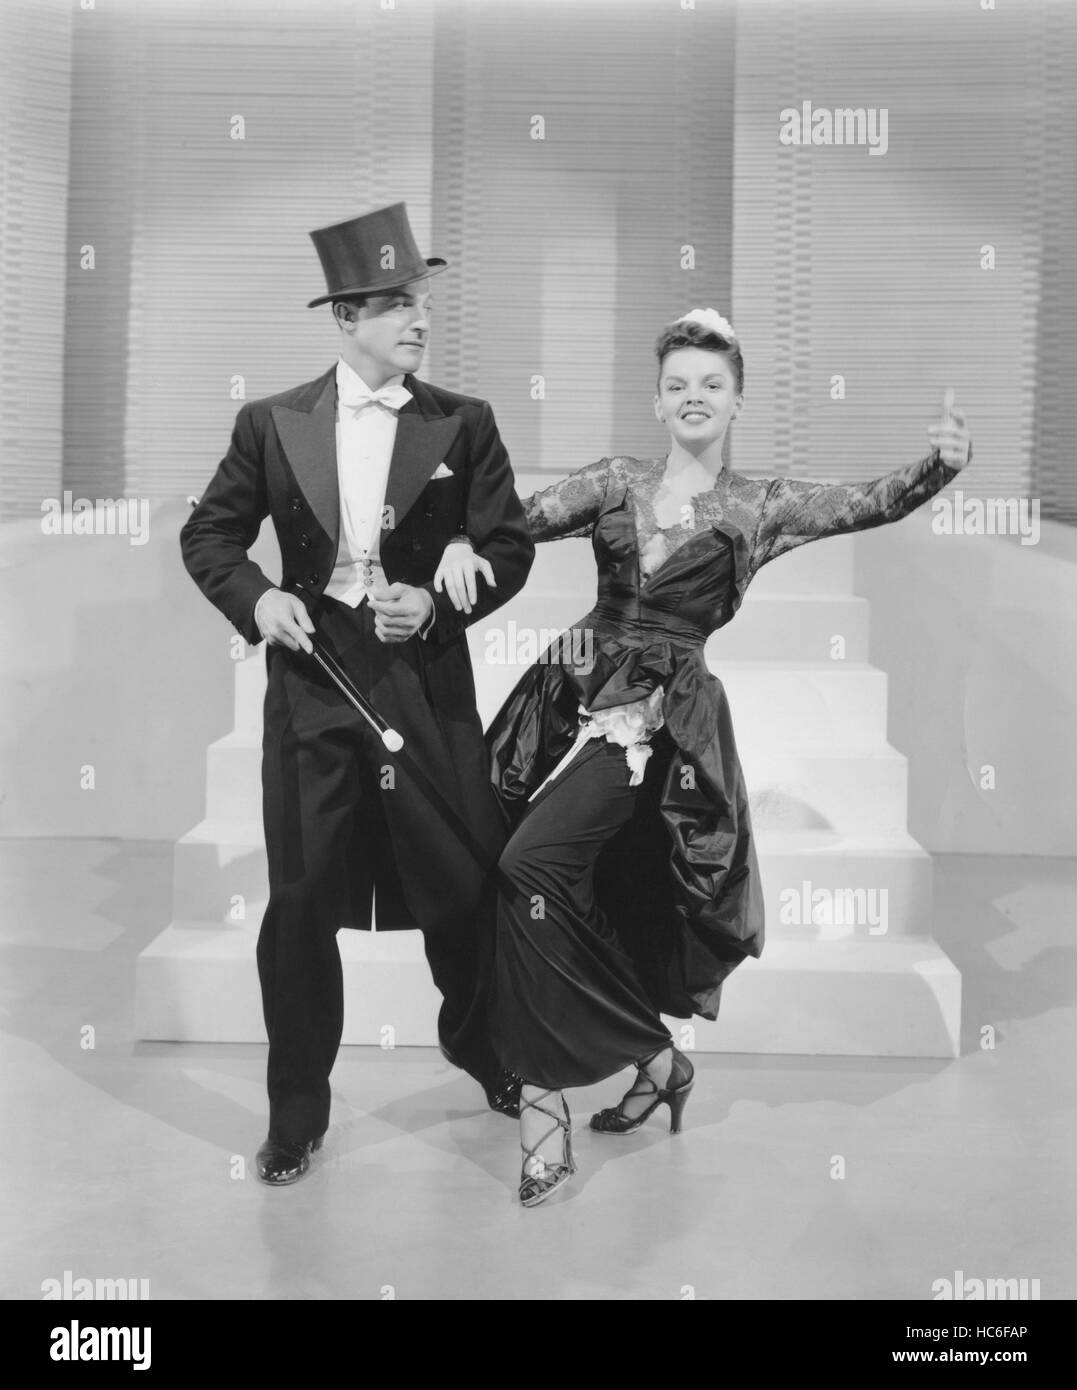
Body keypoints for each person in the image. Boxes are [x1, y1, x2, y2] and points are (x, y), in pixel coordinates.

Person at [436, 307, 972, 1207]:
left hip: (659, 728)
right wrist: (455, 536)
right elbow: (511, 525)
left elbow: (866, 503)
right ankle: (653, 1055)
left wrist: (939, 467)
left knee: (533, 865)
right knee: (516, 867)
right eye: (678, 384)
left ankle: (542, 1108)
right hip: (570, 686)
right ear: (656, 399)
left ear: (735, 403)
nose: (694, 397)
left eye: (711, 386)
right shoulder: (613, 482)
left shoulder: (759, 508)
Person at [180, 203, 534, 1185]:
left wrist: (439, 598)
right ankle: (295, 1114)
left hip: (423, 680)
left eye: (420, 299)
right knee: (301, 902)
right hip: (311, 679)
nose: (418, 318)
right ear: (345, 316)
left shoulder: (464, 421)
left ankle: (486, 1050)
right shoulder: (271, 424)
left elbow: (507, 549)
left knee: (465, 882)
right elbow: (208, 538)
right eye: (393, 302)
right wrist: (257, 602)